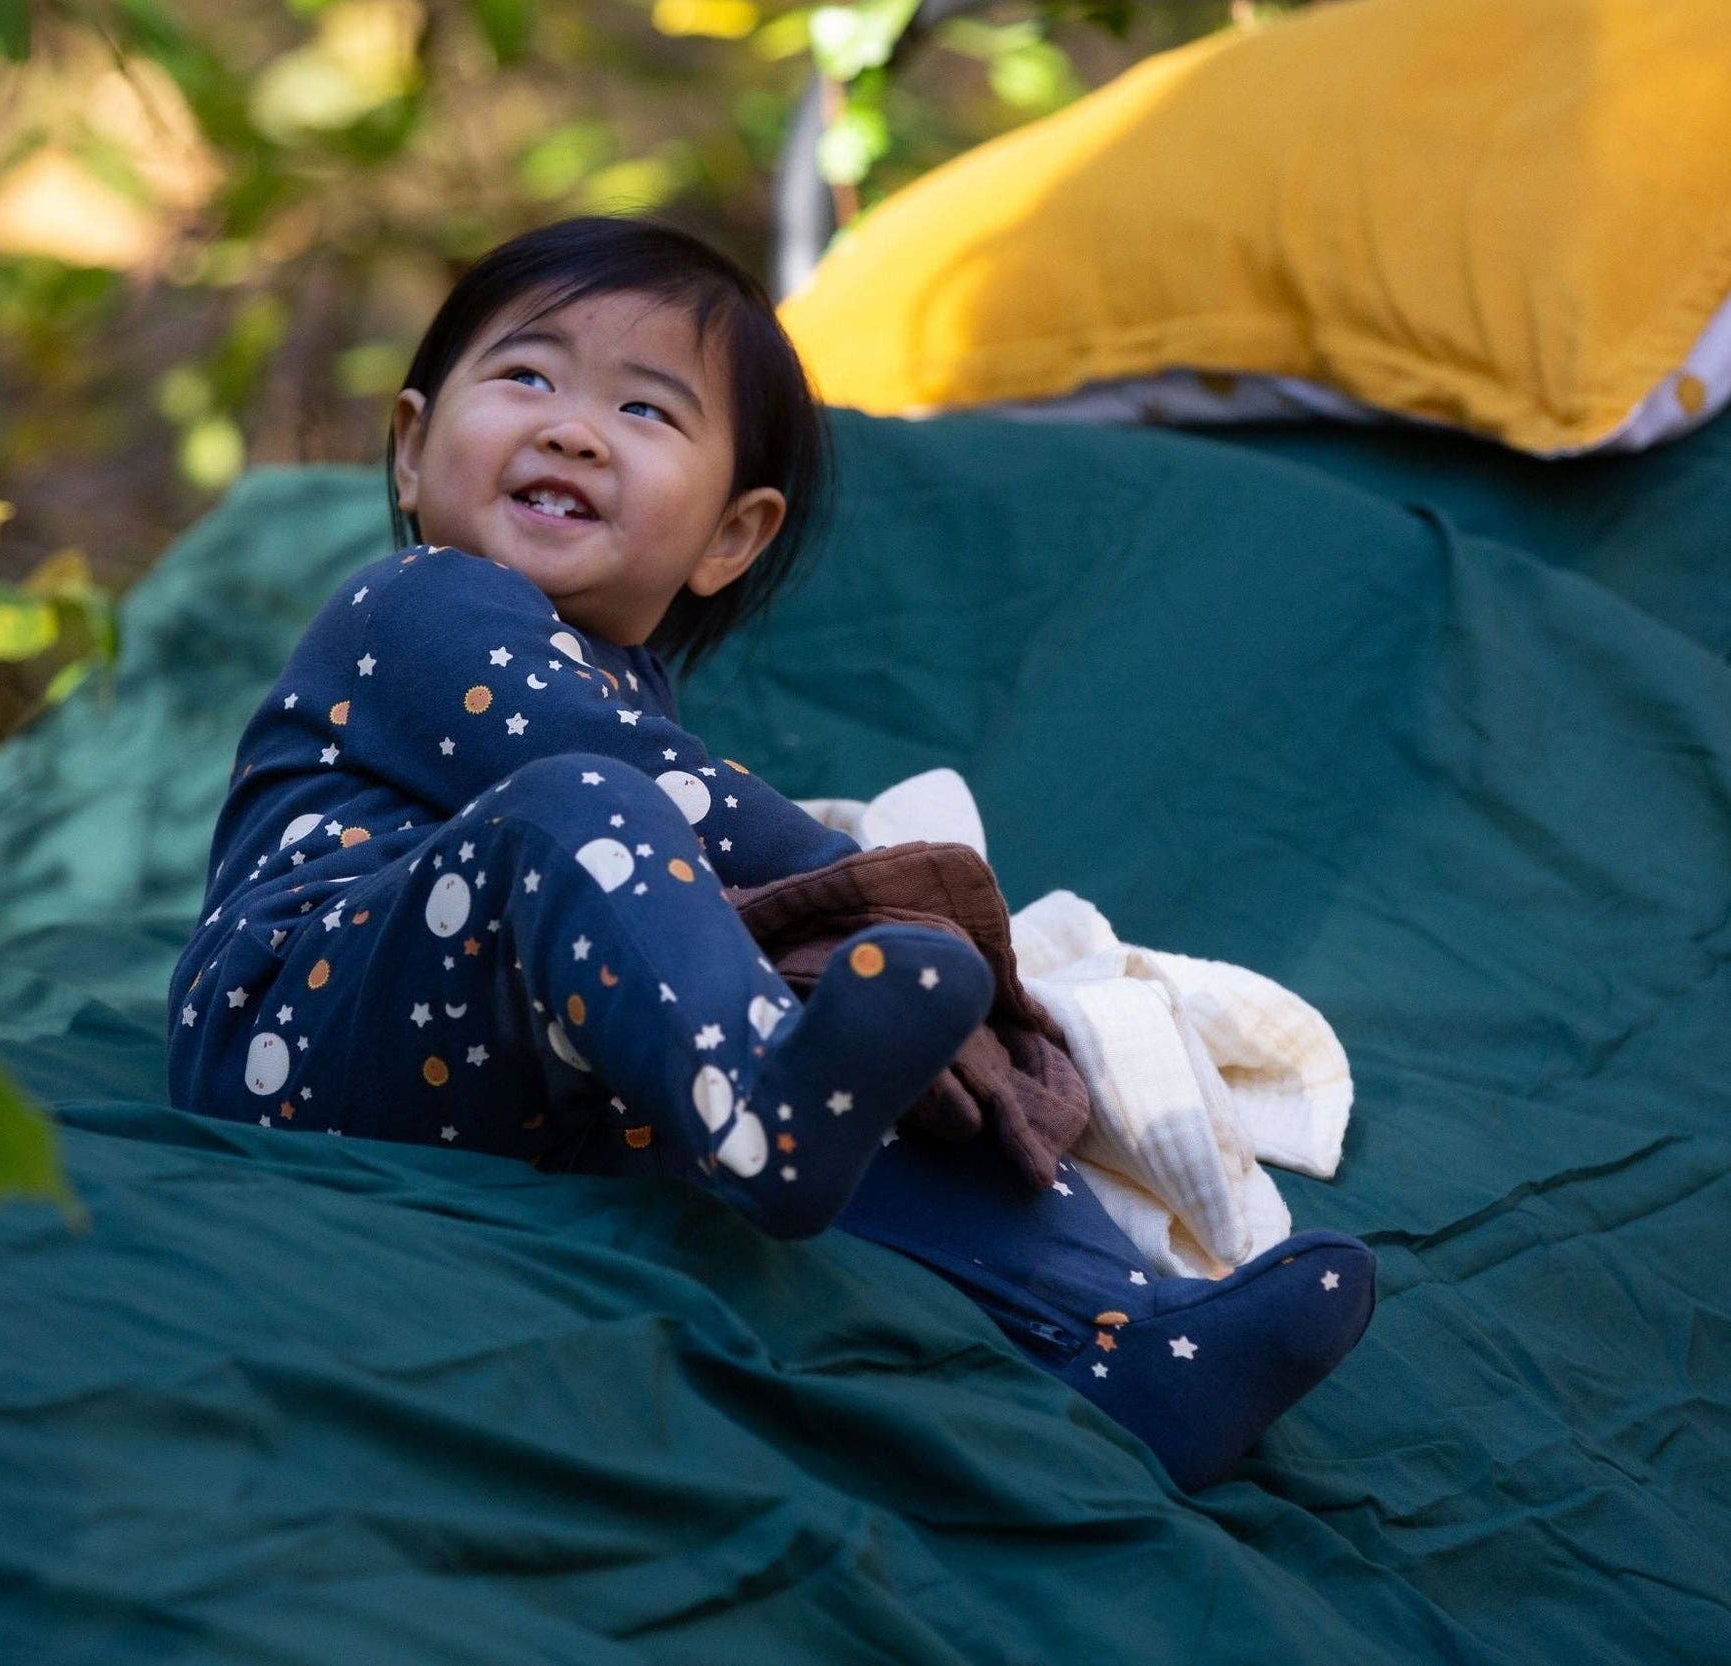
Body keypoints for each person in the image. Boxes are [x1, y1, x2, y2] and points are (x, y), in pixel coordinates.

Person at [167, 216, 1374, 1489]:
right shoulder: (416, 604)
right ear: (411, 448)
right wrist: (886, 897)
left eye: (644, 409)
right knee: (585, 809)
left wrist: (919, 1008)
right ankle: (763, 1107)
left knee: (873, 1048)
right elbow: (636, 783)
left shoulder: (631, 698)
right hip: (297, 1024)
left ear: (728, 536)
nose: (572, 427)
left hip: (511, 1073)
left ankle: (1122, 1330)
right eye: (527, 375)